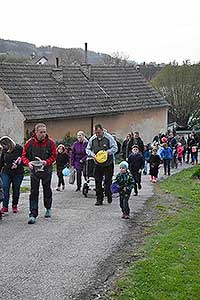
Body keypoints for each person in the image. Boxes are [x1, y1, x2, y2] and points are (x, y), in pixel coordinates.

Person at [22, 123, 57, 224]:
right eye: (41, 132)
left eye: (44, 132)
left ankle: (48, 208)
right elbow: (24, 156)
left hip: (46, 169)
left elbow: (54, 156)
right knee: (34, 192)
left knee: (47, 190)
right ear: (36, 132)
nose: (43, 134)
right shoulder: (29, 143)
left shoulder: (50, 143)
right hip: (34, 171)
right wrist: (28, 163)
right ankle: (33, 214)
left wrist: (46, 162)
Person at [86, 123, 118, 205]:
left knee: (107, 182)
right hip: (97, 164)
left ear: (102, 130)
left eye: (99, 133)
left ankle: (109, 193)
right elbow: (88, 149)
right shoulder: (93, 139)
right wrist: (93, 155)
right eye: (96, 133)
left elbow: (115, 148)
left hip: (108, 164)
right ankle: (99, 199)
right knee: (97, 181)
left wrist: (106, 152)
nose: (97, 135)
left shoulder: (109, 138)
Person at [0, 136, 24, 214]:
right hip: (6, 172)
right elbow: (1, 162)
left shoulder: (19, 148)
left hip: (18, 172)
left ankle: (14, 205)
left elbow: (24, 159)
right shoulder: (4, 150)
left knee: (16, 189)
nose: (3, 147)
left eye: (4, 145)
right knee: (5, 188)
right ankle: (5, 206)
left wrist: (18, 165)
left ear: (8, 143)